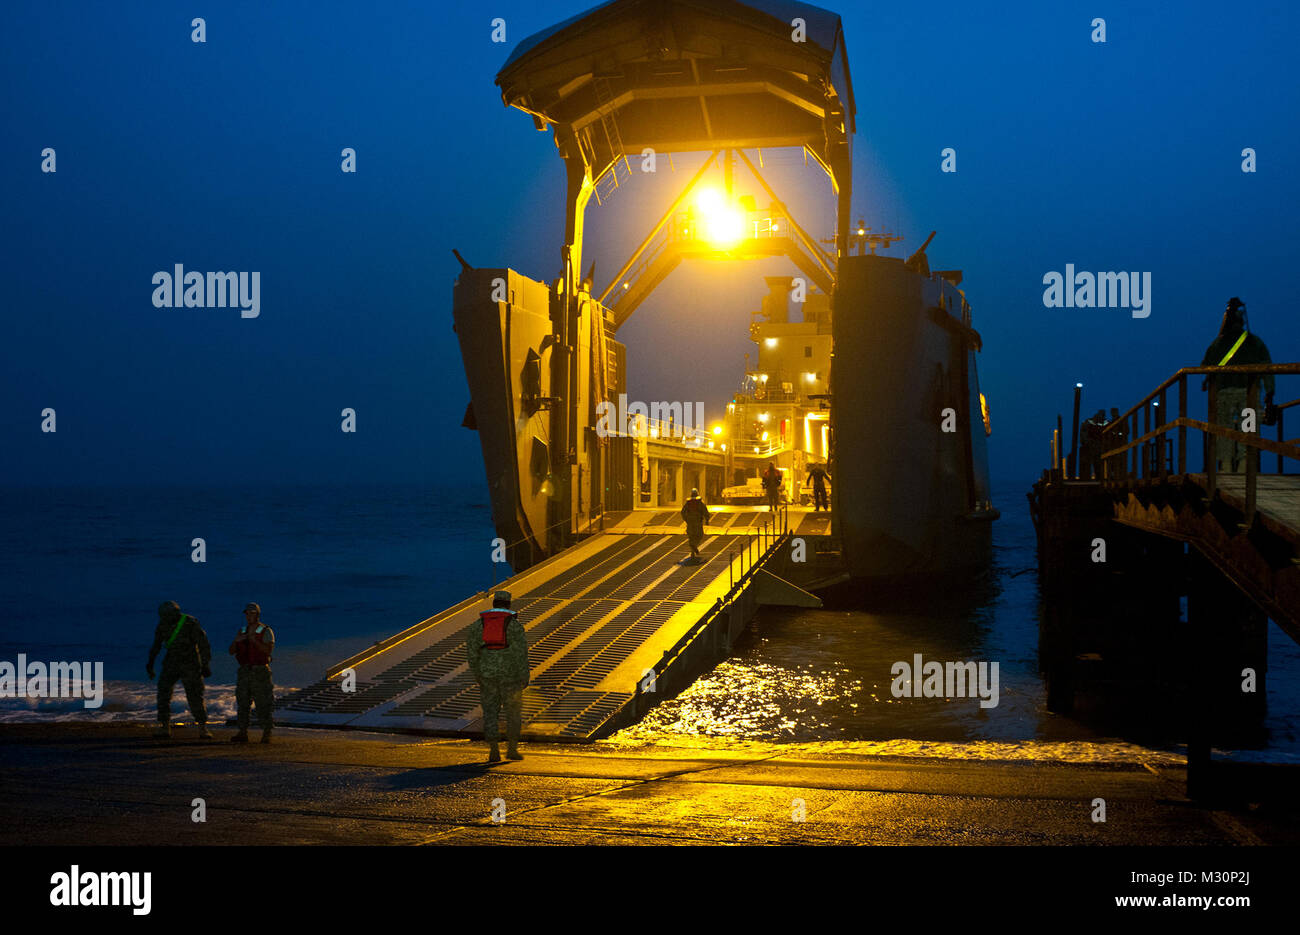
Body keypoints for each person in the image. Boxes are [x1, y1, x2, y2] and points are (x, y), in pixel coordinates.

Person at [1200, 297, 1274, 473]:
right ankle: (1244, 464)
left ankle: (1225, 464)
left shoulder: (1218, 343)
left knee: (1224, 429)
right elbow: (1267, 368)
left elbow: (1205, 366)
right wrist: (1269, 392)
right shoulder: (1255, 342)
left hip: (1224, 393)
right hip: (1248, 394)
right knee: (1248, 429)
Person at [467, 591, 529, 763]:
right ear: (508, 605)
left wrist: (478, 673)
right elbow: (521, 653)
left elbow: (472, 653)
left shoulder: (478, 625)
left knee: (490, 712)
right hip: (511, 676)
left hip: (487, 675)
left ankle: (494, 750)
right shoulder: (515, 626)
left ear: (493, 604)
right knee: (513, 712)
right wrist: (524, 675)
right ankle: (512, 749)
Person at [147, 601, 213, 739]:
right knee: (163, 693)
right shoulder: (163, 624)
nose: (165, 618)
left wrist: (205, 664)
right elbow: (157, 645)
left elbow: (203, 644)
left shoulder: (190, 622)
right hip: (171, 662)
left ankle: (202, 727)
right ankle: (165, 727)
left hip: (191, 664)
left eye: (167, 615)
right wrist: (150, 663)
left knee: (195, 695)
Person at [228, 602, 275, 744]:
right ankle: (242, 732)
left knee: (263, 702)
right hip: (244, 671)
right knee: (242, 702)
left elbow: (268, 651)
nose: (249, 616)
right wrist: (236, 641)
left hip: (260, 671)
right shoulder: (241, 631)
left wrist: (254, 641)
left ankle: (267, 732)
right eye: (247, 614)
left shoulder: (265, 630)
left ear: (257, 614)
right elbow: (231, 651)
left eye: (252, 613)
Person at [681, 488, 711, 562]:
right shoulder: (700, 502)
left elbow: (682, 512)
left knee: (691, 536)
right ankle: (694, 545)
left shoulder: (688, 503)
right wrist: (707, 520)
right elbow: (705, 511)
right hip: (697, 521)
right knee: (699, 535)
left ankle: (692, 551)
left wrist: (686, 519)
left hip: (690, 522)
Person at [1078, 410, 1107, 480]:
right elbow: (1083, 434)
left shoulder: (1105, 423)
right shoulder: (1088, 423)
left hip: (1099, 446)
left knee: (1098, 463)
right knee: (1091, 462)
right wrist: (1087, 442)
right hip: (1091, 446)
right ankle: (1087, 477)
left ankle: (1098, 477)